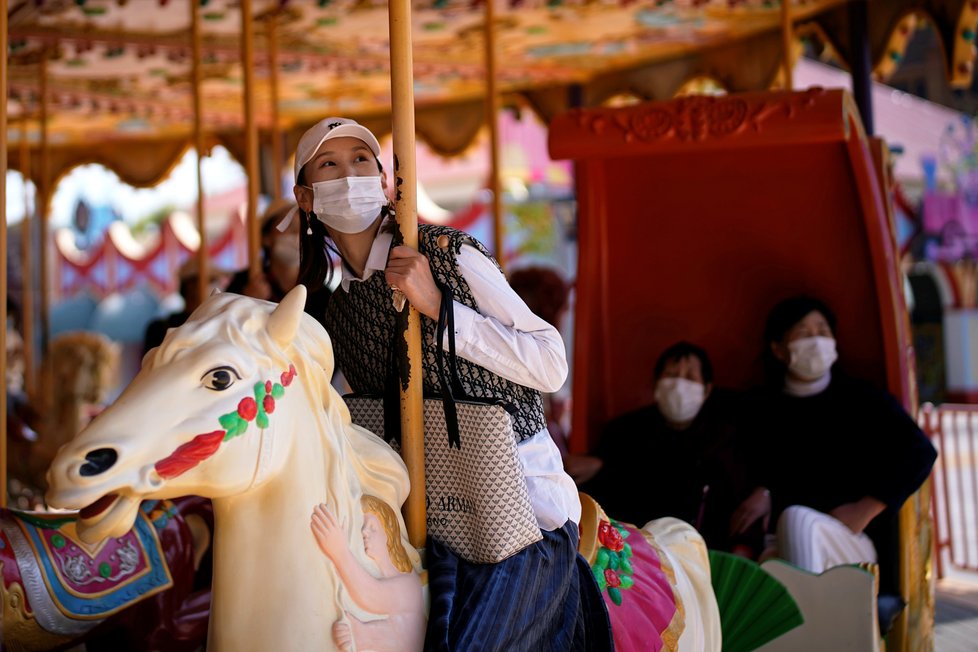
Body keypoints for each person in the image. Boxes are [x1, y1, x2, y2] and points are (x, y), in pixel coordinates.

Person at [290, 117, 610, 651]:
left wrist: (439, 308)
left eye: (361, 160)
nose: (348, 176)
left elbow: (551, 362)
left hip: (520, 507)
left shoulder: (446, 253)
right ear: (305, 197)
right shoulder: (334, 305)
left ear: (388, 183)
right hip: (423, 507)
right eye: (329, 164)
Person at [730, 296, 937, 630]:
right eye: (803, 332)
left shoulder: (862, 400)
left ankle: (812, 635)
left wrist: (865, 509)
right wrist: (765, 489)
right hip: (780, 544)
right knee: (768, 563)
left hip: (850, 544)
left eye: (822, 331)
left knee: (798, 520)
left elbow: (921, 453)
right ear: (779, 349)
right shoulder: (761, 409)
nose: (816, 340)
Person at [582, 341, 753, 552]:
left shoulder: (725, 437)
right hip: (634, 553)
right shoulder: (624, 431)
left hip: (702, 553)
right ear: (655, 385)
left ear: (707, 390)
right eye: (671, 375)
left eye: (690, 377)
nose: (679, 385)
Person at [310, 497, 425, 652]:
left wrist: (339, 552)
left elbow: (370, 595)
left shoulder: (409, 584)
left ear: (388, 532)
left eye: (372, 527)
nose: (364, 531)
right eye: (362, 527)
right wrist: (357, 633)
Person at [142, 257, 229, 356]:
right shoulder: (160, 329)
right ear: (191, 286)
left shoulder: (220, 324)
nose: (220, 287)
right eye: (212, 280)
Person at [225, 198, 302, 303]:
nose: (297, 234)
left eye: (301, 228)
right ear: (266, 238)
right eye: (288, 226)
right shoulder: (246, 281)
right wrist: (247, 301)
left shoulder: (318, 290)